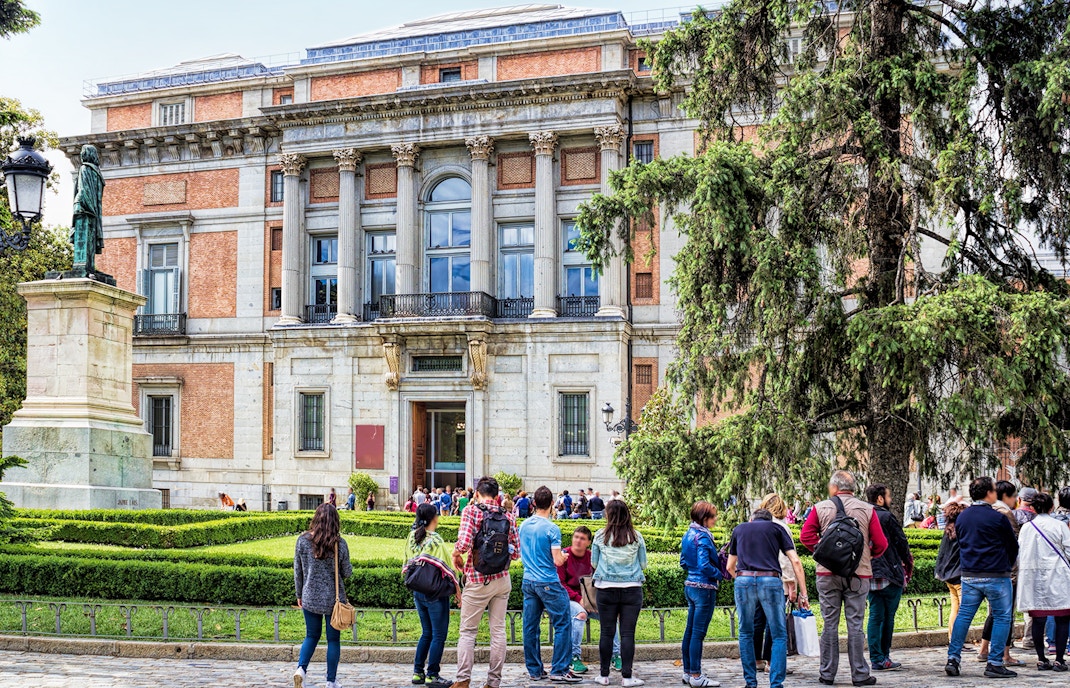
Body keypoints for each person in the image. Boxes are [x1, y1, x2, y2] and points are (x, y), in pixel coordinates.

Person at [800, 470, 888, 687]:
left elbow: (806, 536)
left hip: (827, 574)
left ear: (833, 488)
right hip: (858, 575)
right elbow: (881, 544)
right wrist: (864, 557)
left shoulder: (820, 507)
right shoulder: (867, 510)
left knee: (830, 623)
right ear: (853, 488)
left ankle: (827, 673)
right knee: (855, 625)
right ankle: (859, 674)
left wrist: (824, 554)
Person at [944, 476, 1020, 680]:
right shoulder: (998, 517)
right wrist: (1007, 563)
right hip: (996, 574)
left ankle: (953, 658)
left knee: (964, 616)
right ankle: (995, 662)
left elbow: (961, 541)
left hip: (970, 574)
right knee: (1003, 616)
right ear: (989, 493)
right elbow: (1012, 546)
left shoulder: (963, 517)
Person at [449, 476, 521, 688]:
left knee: (468, 632)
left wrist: (455, 554)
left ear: (477, 494)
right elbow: (516, 553)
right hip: (502, 579)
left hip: (478, 579)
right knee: (498, 632)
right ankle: (493, 682)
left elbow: (463, 543)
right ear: (498, 496)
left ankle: (463, 680)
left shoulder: (471, 511)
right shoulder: (508, 515)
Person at [728, 507, 810, 688]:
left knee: (745, 632)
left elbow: (729, 566)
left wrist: (743, 579)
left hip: (744, 579)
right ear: (769, 520)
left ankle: (750, 683)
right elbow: (795, 560)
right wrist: (803, 593)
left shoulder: (739, 529)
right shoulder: (777, 529)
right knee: (779, 634)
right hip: (771, 580)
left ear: (751, 519)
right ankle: (776, 684)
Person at [519, 486, 580, 683]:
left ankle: (535, 670)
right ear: (552, 504)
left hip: (529, 580)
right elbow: (557, 560)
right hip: (548, 582)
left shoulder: (524, 525)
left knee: (530, 627)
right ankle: (560, 669)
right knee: (562, 623)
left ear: (534, 503)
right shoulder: (552, 528)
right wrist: (564, 556)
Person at [293, 504, 352, 688]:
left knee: (311, 635)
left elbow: (298, 571)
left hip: (310, 595)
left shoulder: (302, 541)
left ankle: (301, 669)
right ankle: (331, 681)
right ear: (336, 522)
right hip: (334, 599)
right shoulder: (339, 544)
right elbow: (347, 572)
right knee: (333, 640)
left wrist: (299, 594)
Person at [592, 499, 648, 687]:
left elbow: (593, 563)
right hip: (632, 588)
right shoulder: (636, 536)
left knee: (606, 632)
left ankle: (604, 675)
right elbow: (643, 564)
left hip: (605, 588)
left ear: (608, 514)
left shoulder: (600, 536)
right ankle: (627, 677)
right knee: (627, 633)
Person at [406, 503, 461, 687]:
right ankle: (432, 674)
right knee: (438, 635)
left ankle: (417, 672)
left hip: (418, 591)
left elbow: (407, 563)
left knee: (426, 633)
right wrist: (458, 590)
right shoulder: (435, 540)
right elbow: (448, 569)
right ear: (434, 518)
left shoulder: (412, 537)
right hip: (435, 593)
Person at [1016, 492, 1070, 671]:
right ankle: (1060, 659)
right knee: (1062, 619)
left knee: (1039, 619)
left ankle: (1041, 658)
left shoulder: (1027, 528)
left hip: (1034, 578)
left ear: (1033, 508)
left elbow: (1021, 553)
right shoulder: (1060, 525)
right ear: (1051, 507)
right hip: (1058, 576)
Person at [557, 525, 622, 674]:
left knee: (610, 615)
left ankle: (616, 655)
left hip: (589, 598)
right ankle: (574, 657)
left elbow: (600, 579)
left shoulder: (592, 557)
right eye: (576, 537)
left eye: (582, 539)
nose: (578, 541)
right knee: (580, 614)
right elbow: (561, 584)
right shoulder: (564, 555)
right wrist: (579, 599)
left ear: (588, 542)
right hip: (569, 599)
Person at [865, 483, 913, 672]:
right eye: (888, 496)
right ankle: (883, 656)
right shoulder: (886, 516)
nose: (890, 500)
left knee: (875, 615)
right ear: (880, 498)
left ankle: (876, 657)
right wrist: (906, 561)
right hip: (889, 571)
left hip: (869, 571)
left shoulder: (864, 514)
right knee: (888, 617)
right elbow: (901, 542)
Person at [751, 494, 798, 675]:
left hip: (756, 579)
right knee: (774, 622)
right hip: (776, 580)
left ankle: (757, 659)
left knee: (758, 620)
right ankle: (771, 661)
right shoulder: (781, 528)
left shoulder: (754, 526)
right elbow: (786, 559)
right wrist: (791, 584)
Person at [679, 502, 724, 688]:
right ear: (704, 518)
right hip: (704, 588)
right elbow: (705, 565)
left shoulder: (688, 534)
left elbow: (683, 562)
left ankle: (688, 672)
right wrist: (720, 574)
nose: (715, 519)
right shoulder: (703, 537)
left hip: (690, 585)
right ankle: (696, 675)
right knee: (698, 633)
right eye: (713, 516)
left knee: (690, 632)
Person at [978, 480, 1022, 666]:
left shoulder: (986, 511)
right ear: (1006, 496)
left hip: (986, 568)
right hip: (1006, 572)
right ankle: (1005, 654)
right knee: (1006, 614)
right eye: (1013, 497)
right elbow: (1013, 543)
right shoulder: (1004, 513)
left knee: (994, 613)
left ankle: (983, 649)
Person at [935, 502, 968, 643]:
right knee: (963, 610)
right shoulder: (961, 531)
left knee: (956, 607)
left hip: (948, 575)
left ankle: (953, 638)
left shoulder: (948, 530)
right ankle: (958, 640)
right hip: (958, 575)